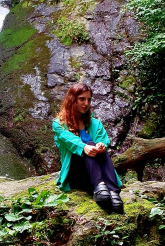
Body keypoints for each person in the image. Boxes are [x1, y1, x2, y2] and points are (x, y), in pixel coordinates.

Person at [52, 82, 124, 212]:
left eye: (89, 99)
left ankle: (113, 193)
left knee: (97, 146)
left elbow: (104, 140)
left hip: (96, 174)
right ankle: (102, 188)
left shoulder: (94, 123)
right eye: (82, 99)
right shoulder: (59, 125)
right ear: (72, 100)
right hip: (76, 175)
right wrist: (85, 147)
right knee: (89, 145)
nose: (86, 103)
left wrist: (102, 145)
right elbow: (70, 140)